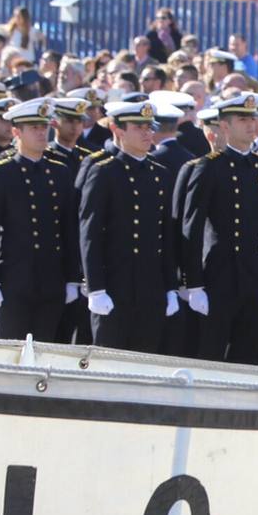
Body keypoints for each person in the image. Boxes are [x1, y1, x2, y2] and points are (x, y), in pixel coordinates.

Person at [181, 93, 258, 364]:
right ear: (224, 126)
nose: (251, 125)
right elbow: (192, 227)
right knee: (210, 354)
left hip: (253, 277)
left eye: (252, 118)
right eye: (242, 119)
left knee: (246, 356)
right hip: (217, 276)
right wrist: (194, 284)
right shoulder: (209, 167)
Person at [0, 98, 82, 340]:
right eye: (34, 128)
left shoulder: (59, 172)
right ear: (16, 132)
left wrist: (73, 277)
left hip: (51, 278)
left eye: (44, 127)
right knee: (11, 349)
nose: (41, 133)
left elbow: (68, 229)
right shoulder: (1, 172)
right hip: (13, 280)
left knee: (45, 348)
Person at [78, 101, 178, 352]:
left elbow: (166, 236)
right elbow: (89, 234)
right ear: (118, 130)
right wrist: (96, 288)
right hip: (114, 286)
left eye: (149, 126)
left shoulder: (160, 174)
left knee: (146, 360)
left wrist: (170, 288)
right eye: (139, 127)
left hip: (150, 287)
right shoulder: (104, 172)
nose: (147, 133)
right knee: (109, 362)